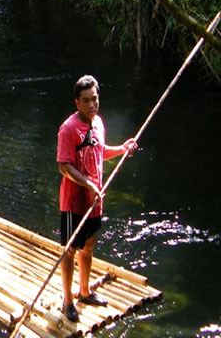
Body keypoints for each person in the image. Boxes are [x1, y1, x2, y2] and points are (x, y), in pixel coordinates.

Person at [56, 75, 137, 322]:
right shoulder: (68, 128)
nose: (92, 105)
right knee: (70, 250)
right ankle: (68, 299)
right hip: (74, 202)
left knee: (88, 247)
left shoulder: (98, 123)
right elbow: (64, 166)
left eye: (95, 99)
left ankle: (84, 291)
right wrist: (88, 182)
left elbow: (100, 152)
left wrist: (122, 148)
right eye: (86, 101)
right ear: (77, 103)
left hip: (94, 201)